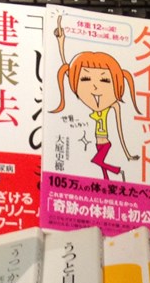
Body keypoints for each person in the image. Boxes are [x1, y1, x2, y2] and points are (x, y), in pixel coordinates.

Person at [50, 14, 140, 180]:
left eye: (105, 80)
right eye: (85, 79)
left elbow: (120, 131)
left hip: (105, 143)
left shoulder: (114, 105)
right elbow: (67, 69)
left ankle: (118, 171)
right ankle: (108, 180)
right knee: (101, 169)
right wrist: (61, 41)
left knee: (97, 160)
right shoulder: (78, 84)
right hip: (97, 142)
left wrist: (127, 154)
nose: (95, 87)